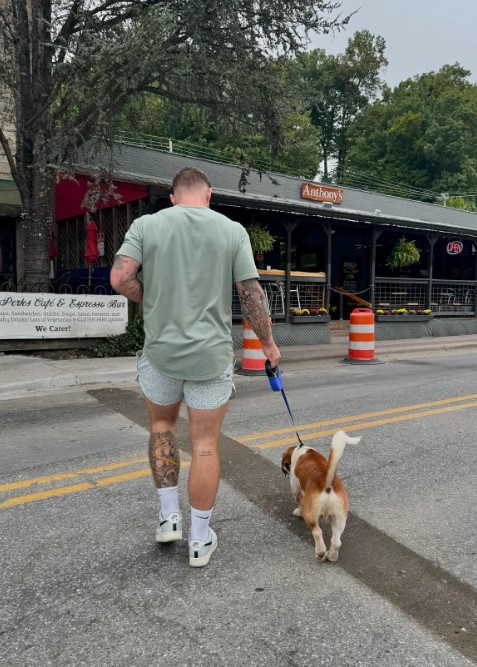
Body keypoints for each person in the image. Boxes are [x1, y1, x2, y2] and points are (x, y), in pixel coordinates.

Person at [110, 166, 280, 567]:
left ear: (173, 197)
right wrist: (269, 344)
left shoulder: (146, 225)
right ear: (208, 195)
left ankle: (169, 517)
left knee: (161, 428)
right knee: (204, 445)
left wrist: (149, 297)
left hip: (161, 354)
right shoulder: (231, 230)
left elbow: (120, 277)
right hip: (209, 355)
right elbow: (251, 293)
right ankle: (200, 540)